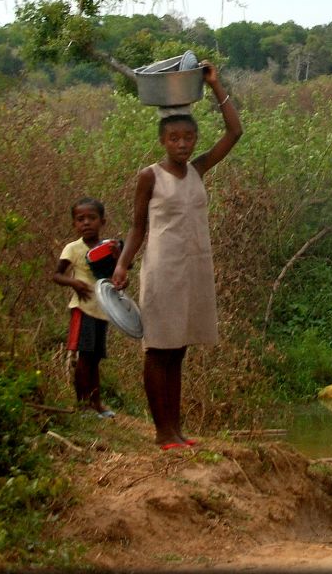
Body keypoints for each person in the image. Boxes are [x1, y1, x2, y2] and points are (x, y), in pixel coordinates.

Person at [113, 62, 241, 450]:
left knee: (179, 349)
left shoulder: (199, 169)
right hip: (162, 270)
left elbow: (235, 132)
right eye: (175, 138)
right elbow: (137, 227)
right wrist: (123, 264)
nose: (183, 144)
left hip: (195, 268)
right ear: (163, 141)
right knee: (158, 348)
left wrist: (216, 85)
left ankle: (176, 430)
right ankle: (162, 432)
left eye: (188, 137)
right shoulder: (149, 176)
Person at [51, 197, 117, 417]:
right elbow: (57, 275)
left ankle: (96, 403)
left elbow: (117, 272)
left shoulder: (107, 248)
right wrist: (74, 283)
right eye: (80, 219)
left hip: (102, 309)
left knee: (96, 357)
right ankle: (83, 405)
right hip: (83, 308)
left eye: (92, 218)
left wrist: (119, 262)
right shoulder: (73, 249)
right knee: (85, 356)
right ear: (74, 224)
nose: (86, 223)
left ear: (103, 221)